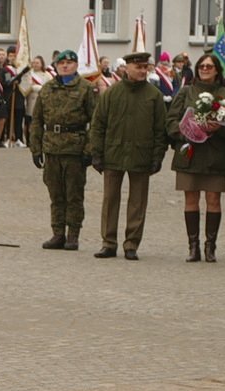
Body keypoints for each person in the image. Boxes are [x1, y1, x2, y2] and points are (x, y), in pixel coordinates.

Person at [89, 51, 168, 260]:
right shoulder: (112, 93)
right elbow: (98, 125)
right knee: (110, 199)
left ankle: (131, 243)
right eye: (138, 67)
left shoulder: (154, 95)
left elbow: (161, 130)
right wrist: (95, 152)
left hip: (141, 154)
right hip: (113, 153)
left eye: (145, 67)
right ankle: (108, 242)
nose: (143, 71)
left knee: (138, 202)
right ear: (127, 68)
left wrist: (157, 156)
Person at [167, 53, 225, 263]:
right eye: (202, 66)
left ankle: (210, 247)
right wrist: (186, 132)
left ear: (217, 70)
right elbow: (170, 120)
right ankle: (193, 246)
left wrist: (219, 128)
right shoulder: (186, 92)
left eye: (209, 66)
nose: (205, 69)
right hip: (190, 153)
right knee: (191, 199)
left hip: (214, 153)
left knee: (213, 200)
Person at [31, 49, 96, 251]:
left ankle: (73, 235)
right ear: (56, 66)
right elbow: (37, 120)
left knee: (74, 195)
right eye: (61, 63)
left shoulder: (86, 89)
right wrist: (36, 148)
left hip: (74, 149)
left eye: (69, 63)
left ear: (76, 65)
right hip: (51, 148)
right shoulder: (47, 88)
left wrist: (89, 150)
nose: (65, 66)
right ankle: (57, 233)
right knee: (56, 194)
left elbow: (96, 121)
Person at [23, 55, 49, 146]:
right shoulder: (28, 74)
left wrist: (37, 87)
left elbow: (48, 89)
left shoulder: (47, 75)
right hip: (30, 102)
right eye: (33, 63)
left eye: (37, 63)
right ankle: (29, 141)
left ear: (42, 64)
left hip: (42, 101)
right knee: (29, 122)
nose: (35, 64)